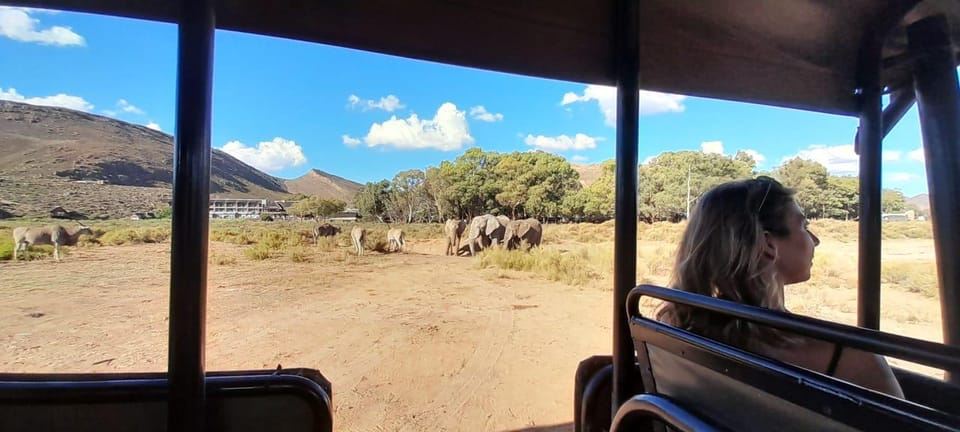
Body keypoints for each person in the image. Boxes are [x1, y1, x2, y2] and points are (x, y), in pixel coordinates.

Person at [656, 176, 904, 397]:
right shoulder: (851, 358)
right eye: (804, 227)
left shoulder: (673, 327)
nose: (815, 240)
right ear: (767, 244)